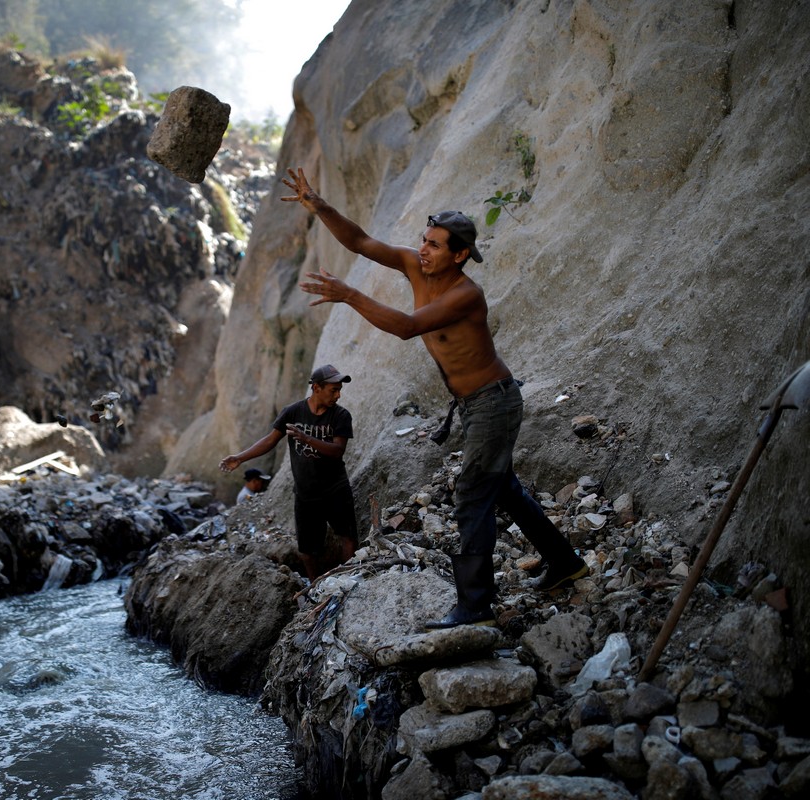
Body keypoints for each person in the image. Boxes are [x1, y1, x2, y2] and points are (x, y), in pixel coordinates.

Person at [281, 167, 588, 629]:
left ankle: (475, 606)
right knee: (501, 488)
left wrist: (349, 295)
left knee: (472, 496)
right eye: (423, 240)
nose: (422, 250)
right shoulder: (414, 264)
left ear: (460, 254)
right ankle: (565, 563)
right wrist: (319, 205)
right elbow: (362, 242)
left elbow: (407, 327)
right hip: (474, 404)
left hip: (494, 402)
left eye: (435, 245)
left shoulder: (467, 294)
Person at [219, 365, 359, 580]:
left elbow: (337, 451)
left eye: (340, 390)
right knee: (307, 550)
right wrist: (240, 457)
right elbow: (270, 441)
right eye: (333, 390)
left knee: (347, 537)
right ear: (316, 388)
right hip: (306, 494)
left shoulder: (340, 416)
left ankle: (348, 581)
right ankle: (315, 587)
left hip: (335, 489)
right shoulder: (293, 412)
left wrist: (307, 438)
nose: (338, 395)